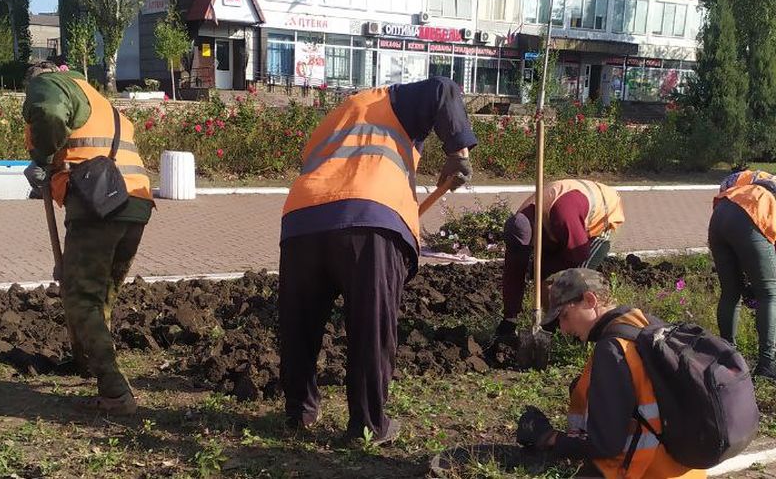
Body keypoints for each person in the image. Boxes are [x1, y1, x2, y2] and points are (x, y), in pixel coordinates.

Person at [278, 76, 477, 444]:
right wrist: (457, 153)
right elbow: (442, 90)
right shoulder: (387, 99)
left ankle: (300, 412)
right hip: (369, 219)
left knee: (298, 324)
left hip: (302, 220)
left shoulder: (332, 121)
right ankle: (368, 426)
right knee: (372, 324)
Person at [23, 61, 154, 415]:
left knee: (80, 295)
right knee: (102, 294)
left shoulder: (48, 84)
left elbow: (48, 112)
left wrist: (43, 157)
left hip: (97, 205)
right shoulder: (97, 99)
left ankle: (115, 391)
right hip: (134, 203)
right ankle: (88, 364)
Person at [515, 268, 705, 479]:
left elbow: (606, 446)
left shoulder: (612, 350)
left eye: (565, 316)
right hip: (688, 470)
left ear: (590, 300)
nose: (564, 329)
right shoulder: (643, 323)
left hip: (645, 471)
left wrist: (551, 439)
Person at [493, 179, 625, 345]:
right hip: (554, 228)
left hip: (597, 222)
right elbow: (514, 273)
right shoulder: (518, 224)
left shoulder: (563, 213)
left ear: (535, 232)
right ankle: (555, 327)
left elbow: (577, 254)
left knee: (576, 282)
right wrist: (509, 318)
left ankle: (586, 332)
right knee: (543, 278)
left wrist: (550, 277)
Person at [710, 169, 776, 378]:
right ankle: (767, 364)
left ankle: (727, 356)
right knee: (769, 294)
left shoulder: (754, 178)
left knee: (730, 292)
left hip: (719, 215)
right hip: (751, 214)